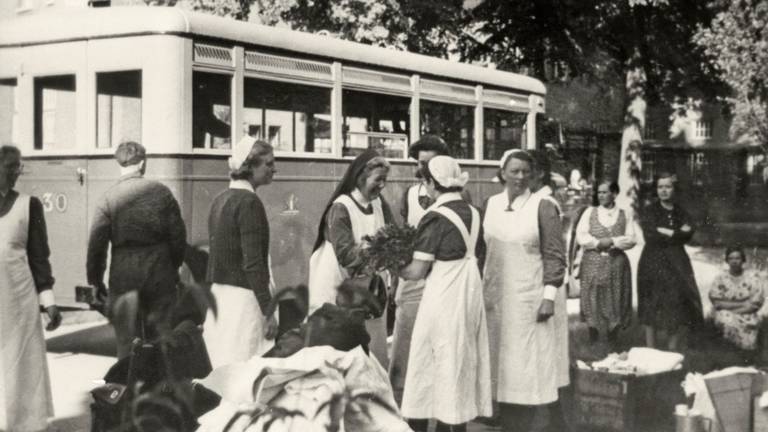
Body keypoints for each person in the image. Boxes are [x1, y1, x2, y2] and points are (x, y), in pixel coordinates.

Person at [399, 155, 491, 432]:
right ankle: (453, 423)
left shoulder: (435, 217)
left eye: (424, 181)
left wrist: (393, 265)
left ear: (430, 182)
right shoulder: (474, 212)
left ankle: (420, 423)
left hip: (443, 293)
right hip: (469, 290)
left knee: (429, 358)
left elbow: (416, 270)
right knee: (459, 357)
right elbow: (480, 253)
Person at [483, 149, 566, 432]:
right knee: (499, 366)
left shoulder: (543, 206)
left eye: (525, 172)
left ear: (533, 175)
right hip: (495, 298)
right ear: (502, 172)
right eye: (514, 171)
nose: (519, 177)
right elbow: (482, 251)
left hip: (528, 300)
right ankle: (504, 421)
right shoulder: (490, 204)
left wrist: (549, 297)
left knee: (525, 369)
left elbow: (555, 255)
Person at [87, 141, 187, 359]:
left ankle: (128, 385)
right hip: (159, 269)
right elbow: (178, 236)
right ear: (142, 163)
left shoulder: (108, 198)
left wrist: (95, 281)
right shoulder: (161, 193)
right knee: (161, 336)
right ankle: (161, 387)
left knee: (126, 339)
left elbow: (97, 244)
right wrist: (174, 267)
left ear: (119, 164)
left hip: (124, 272)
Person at [309, 149, 394, 367]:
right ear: (361, 176)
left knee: (372, 342)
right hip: (336, 280)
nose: (382, 185)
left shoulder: (378, 203)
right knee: (338, 346)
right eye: (378, 180)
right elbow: (346, 255)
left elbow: (392, 233)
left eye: (385, 180)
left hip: (367, 284)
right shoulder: (341, 207)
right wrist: (380, 248)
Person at [0, 145, 62, 432]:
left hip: (18, 300)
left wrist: (48, 300)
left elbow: (39, 257)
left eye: (18, 167)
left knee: (20, 364)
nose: (16, 172)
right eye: (10, 166)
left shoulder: (30, 204)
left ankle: (23, 426)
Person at [203, 137, 279, 368]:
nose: (274, 169)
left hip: (221, 299)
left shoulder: (220, 199)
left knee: (224, 367)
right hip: (245, 302)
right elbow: (253, 264)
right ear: (250, 167)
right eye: (268, 164)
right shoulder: (249, 203)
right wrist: (268, 311)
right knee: (246, 370)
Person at [390, 134, 449, 403]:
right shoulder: (411, 194)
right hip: (413, 277)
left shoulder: (454, 195)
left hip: (442, 277)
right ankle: (402, 394)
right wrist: (395, 279)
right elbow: (404, 234)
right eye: (419, 162)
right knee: (405, 334)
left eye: (429, 162)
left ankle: (438, 393)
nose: (422, 168)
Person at [637, 173, 703, 351]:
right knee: (651, 301)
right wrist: (676, 233)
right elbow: (650, 235)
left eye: (667, 187)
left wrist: (667, 232)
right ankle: (650, 348)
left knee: (676, 301)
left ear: (674, 189)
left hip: (677, 262)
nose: (663, 190)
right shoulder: (650, 210)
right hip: (653, 261)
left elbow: (688, 233)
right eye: (660, 187)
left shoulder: (680, 211)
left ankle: (672, 348)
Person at [575, 180, 636, 348]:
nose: (601, 196)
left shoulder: (625, 214)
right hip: (593, 261)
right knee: (592, 295)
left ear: (614, 194)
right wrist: (596, 243)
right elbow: (581, 236)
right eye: (599, 192)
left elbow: (631, 239)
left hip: (616, 262)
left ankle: (613, 338)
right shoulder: (590, 212)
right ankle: (593, 336)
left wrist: (613, 241)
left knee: (615, 297)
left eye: (605, 192)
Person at [709, 246, 765, 351]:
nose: (734, 261)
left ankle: (745, 354)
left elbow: (756, 303)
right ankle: (727, 352)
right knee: (726, 320)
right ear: (727, 261)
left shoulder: (753, 278)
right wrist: (744, 303)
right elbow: (716, 302)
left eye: (737, 258)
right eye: (731, 258)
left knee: (749, 325)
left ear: (743, 260)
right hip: (724, 314)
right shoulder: (720, 278)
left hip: (747, 314)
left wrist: (730, 307)